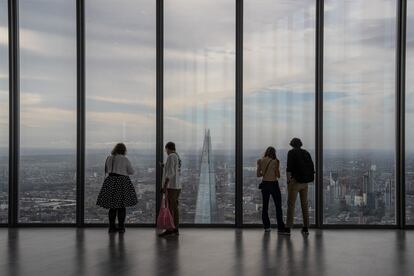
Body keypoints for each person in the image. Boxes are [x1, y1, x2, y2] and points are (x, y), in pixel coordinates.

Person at [96, 143, 138, 233]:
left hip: (110, 181)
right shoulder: (124, 159)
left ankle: (111, 227)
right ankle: (121, 227)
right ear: (123, 150)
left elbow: (107, 170)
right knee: (121, 206)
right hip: (122, 182)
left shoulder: (109, 158)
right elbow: (131, 171)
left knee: (112, 207)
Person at [281, 138, 315, 236]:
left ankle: (288, 228)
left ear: (292, 144)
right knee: (304, 205)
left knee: (291, 205)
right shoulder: (306, 153)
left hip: (295, 182)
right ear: (300, 144)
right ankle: (305, 228)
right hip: (305, 183)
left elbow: (289, 168)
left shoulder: (291, 153)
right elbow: (312, 167)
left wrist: (288, 181)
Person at [257, 146, 287, 234]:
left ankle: (267, 227)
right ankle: (280, 228)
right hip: (273, 184)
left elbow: (258, 175)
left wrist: (263, 171)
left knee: (265, 206)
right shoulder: (276, 161)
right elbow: (278, 175)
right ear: (274, 153)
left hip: (265, 184)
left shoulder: (260, 161)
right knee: (278, 207)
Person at [159, 142, 182, 237]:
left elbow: (171, 172)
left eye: (166, 150)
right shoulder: (177, 156)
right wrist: (164, 166)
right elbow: (174, 169)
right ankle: (175, 228)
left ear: (168, 148)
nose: (166, 152)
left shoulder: (171, 156)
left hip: (171, 186)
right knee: (174, 208)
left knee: (170, 209)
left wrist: (164, 186)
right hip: (177, 186)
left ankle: (170, 229)